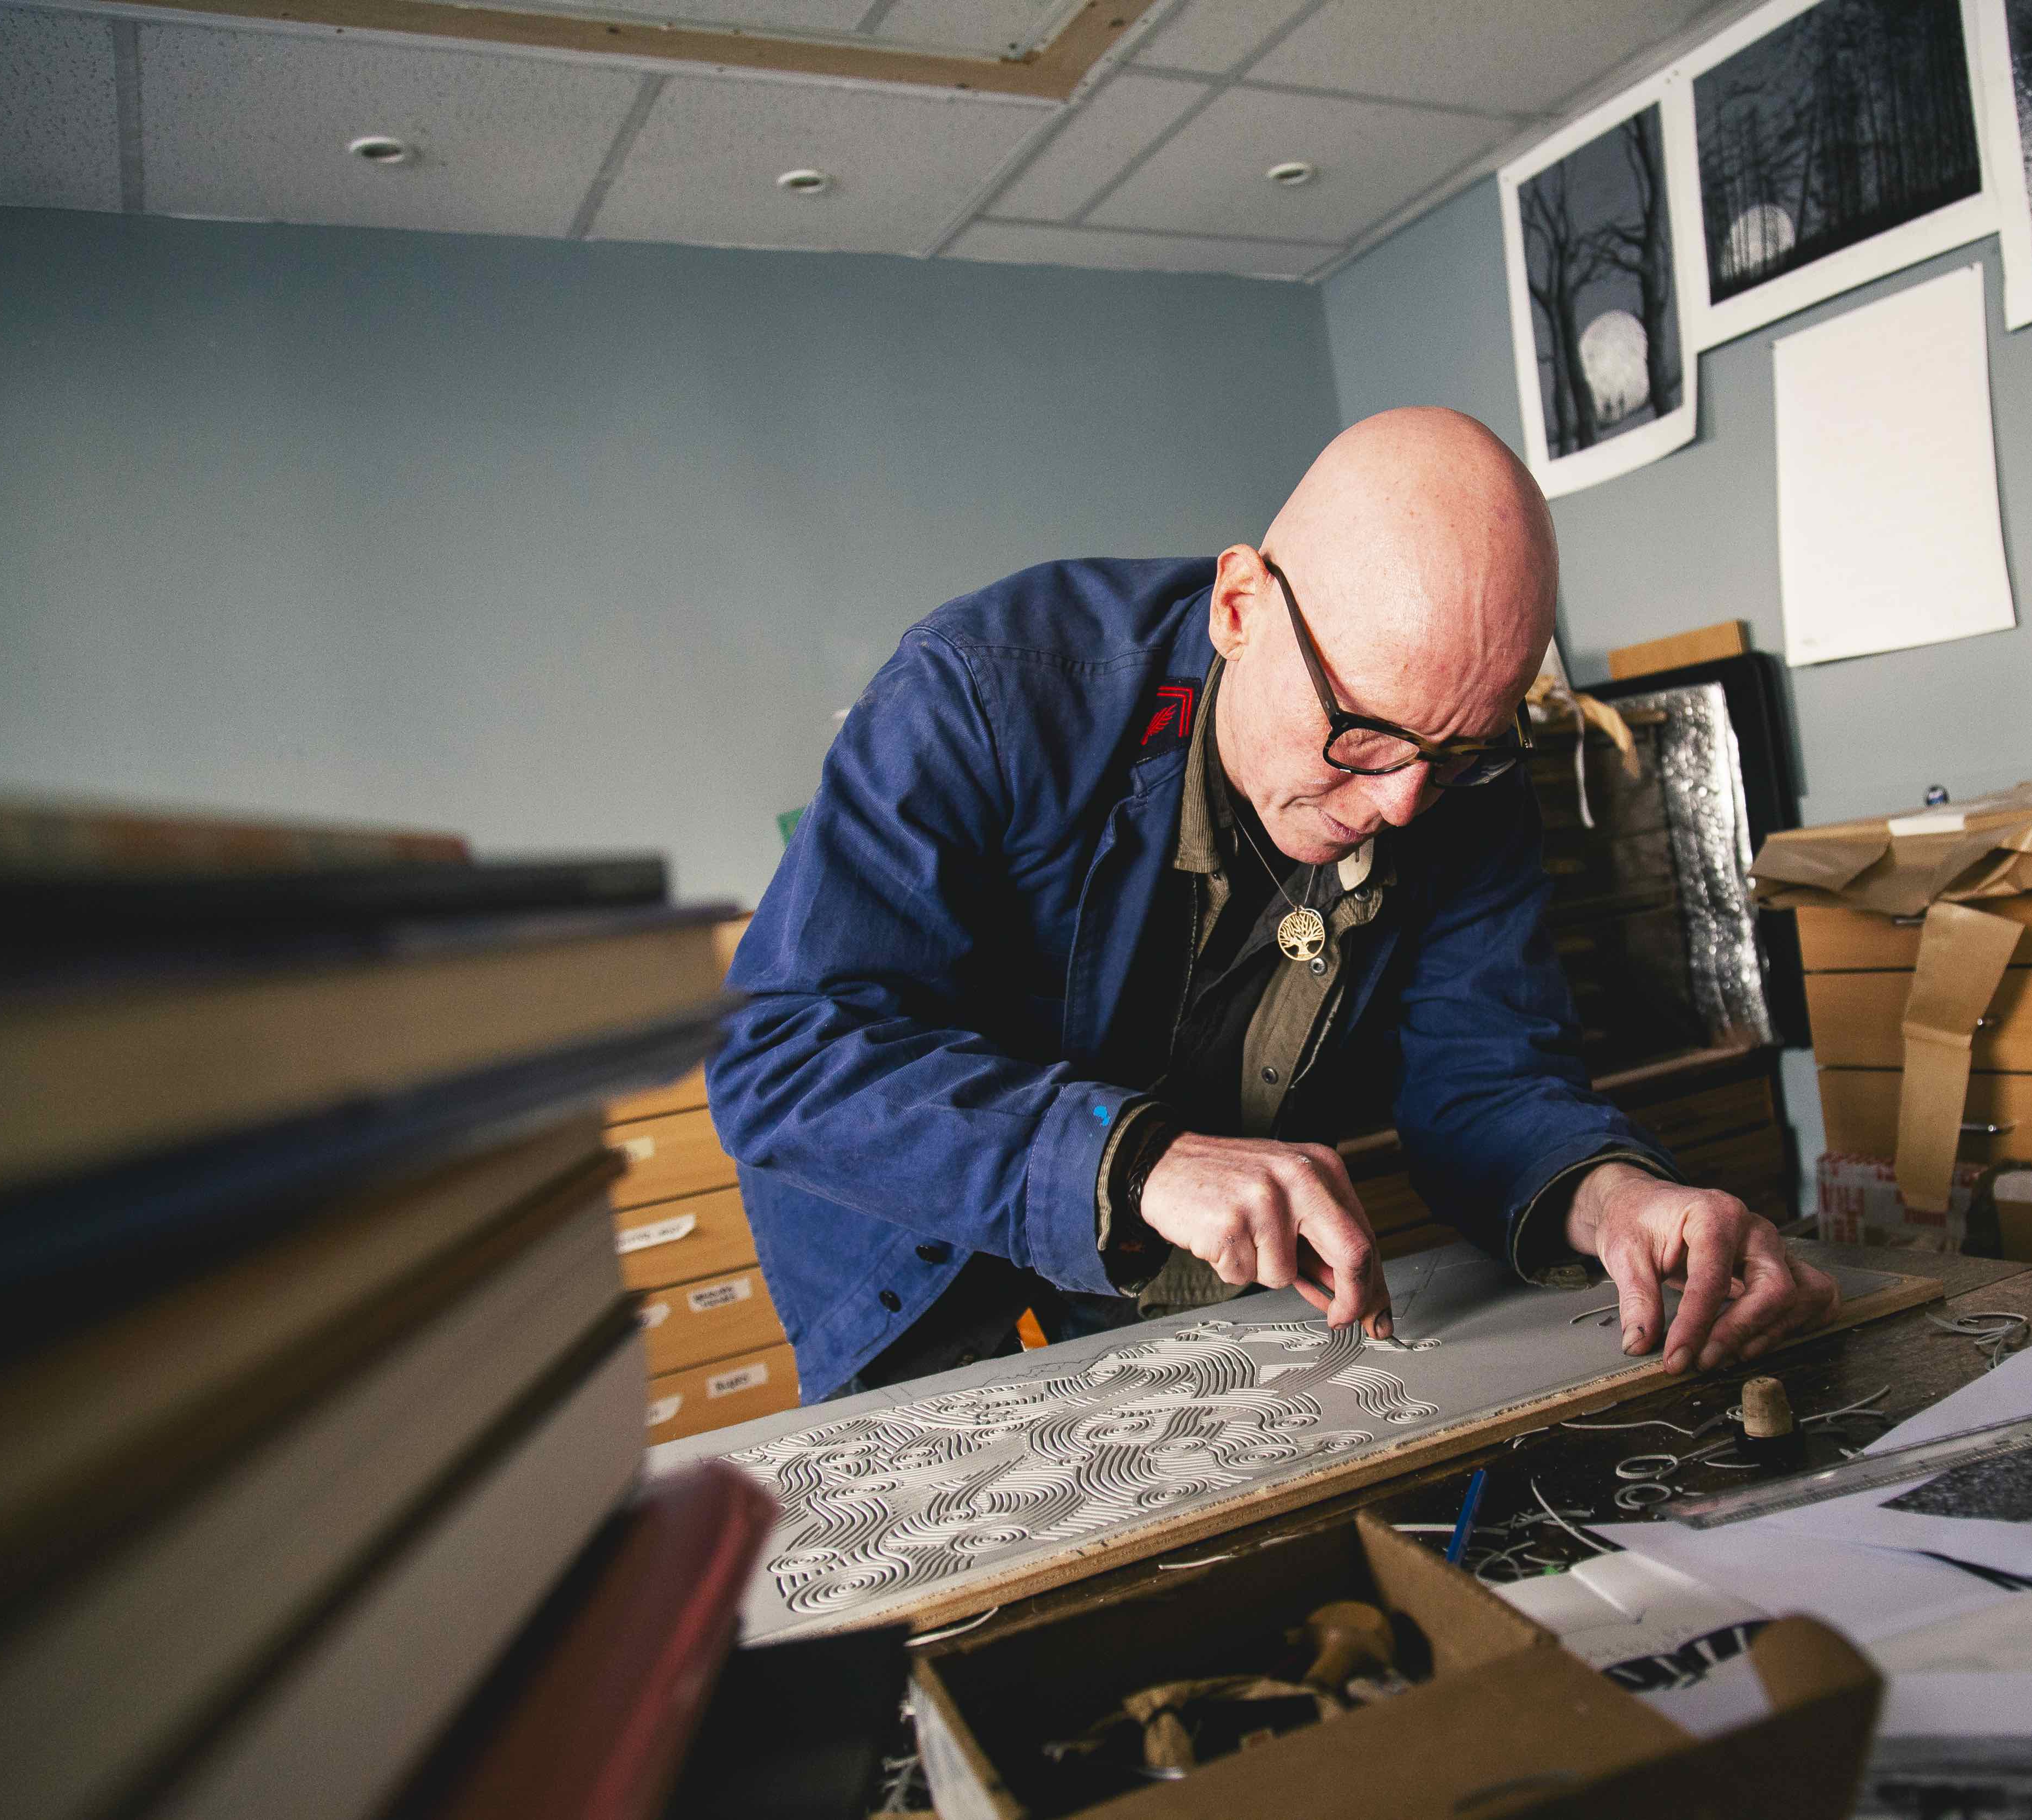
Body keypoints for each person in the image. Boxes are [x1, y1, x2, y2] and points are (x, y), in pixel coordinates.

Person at [709, 407, 1836, 1401]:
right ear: (1240, 606)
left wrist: (1612, 1194)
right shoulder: (987, 688)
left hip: (1185, 1243)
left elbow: (1488, 1071)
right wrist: (1136, 1162)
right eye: (1363, 735)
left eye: (1454, 755)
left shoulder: (1453, 761)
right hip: (911, 1233)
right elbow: (780, 1053)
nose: (1402, 805)